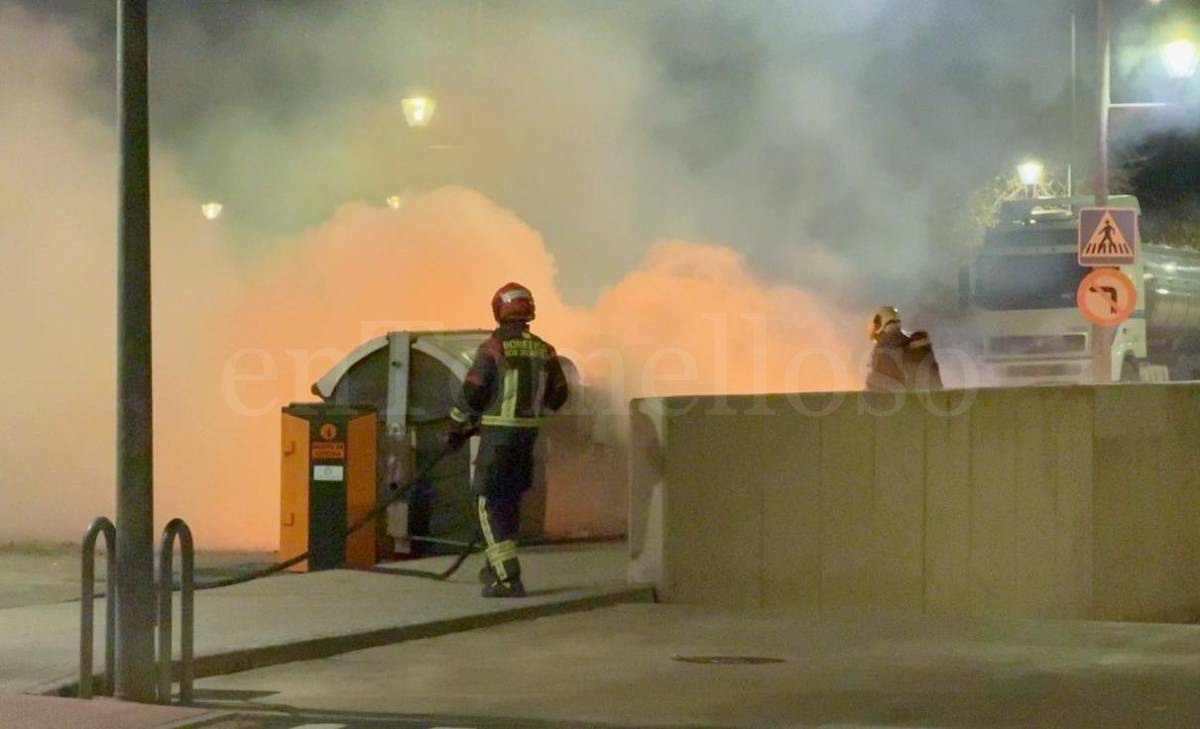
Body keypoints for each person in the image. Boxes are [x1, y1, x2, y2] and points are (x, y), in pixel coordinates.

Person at [446, 282, 569, 598]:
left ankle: (507, 578)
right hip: (528, 438)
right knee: (508, 502)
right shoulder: (545, 349)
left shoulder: (494, 346)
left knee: (487, 502)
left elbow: (474, 390)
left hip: (499, 437)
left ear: (499, 310)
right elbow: (559, 395)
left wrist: (456, 425)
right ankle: (494, 568)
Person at [866, 306, 942, 392]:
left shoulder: (883, 345)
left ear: (879, 323)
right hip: (928, 394)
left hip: (898, 396)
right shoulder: (910, 341)